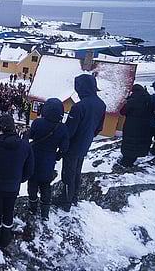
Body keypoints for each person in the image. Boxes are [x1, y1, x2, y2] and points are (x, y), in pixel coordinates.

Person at [0, 114, 34, 248]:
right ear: (13, 128)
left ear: (1, 128)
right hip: (13, 186)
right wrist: (19, 180)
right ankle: (5, 238)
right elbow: (30, 169)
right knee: (9, 211)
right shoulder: (25, 146)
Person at [54, 74, 106, 212]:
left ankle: (66, 201)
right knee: (77, 172)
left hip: (73, 145)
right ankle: (74, 197)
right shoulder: (101, 104)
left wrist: (62, 143)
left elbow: (70, 130)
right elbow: (99, 128)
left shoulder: (78, 107)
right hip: (85, 143)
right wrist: (87, 136)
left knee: (68, 173)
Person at [27, 98, 69, 220]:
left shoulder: (37, 123)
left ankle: (32, 208)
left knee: (32, 184)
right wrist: (57, 156)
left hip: (34, 158)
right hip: (49, 160)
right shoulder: (62, 128)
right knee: (46, 185)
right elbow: (64, 147)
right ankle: (45, 213)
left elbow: (30, 137)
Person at [119, 84, 153, 167]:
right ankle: (133, 159)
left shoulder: (133, 100)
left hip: (132, 125)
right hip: (144, 125)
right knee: (138, 142)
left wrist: (127, 100)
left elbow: (122, 111)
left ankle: (126, 163)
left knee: (130, 142)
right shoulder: (148, 98)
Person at [149, 80, 155, 155]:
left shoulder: (152, 97)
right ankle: (154, 150)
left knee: (148, 137)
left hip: (152, 122)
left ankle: (146, 149)